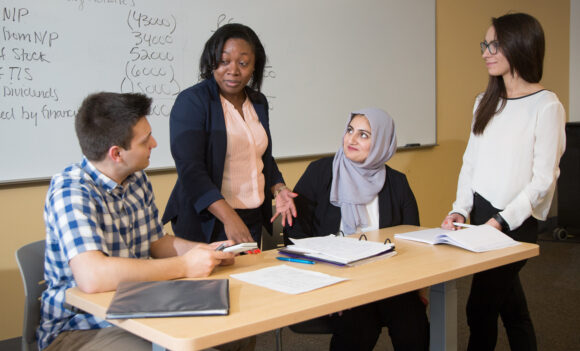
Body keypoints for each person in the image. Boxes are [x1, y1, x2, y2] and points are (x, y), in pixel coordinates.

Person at [39, 92, 239, 350]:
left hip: (141, 306)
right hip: (82, 327)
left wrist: (203, 251)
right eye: (145, 140)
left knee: (229, 334)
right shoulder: (71, 191)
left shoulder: (136, 179)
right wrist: (184, 266)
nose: (154, 143)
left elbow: (156, 243)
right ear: (117, 154)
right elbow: (93, 277)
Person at [441, 13, 566, 351]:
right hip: (480, 218)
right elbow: (471, 163)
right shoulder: (484, 103)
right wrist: (460, 211)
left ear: (520, 46)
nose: (485, 52)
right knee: (511, 307)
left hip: (513, 223)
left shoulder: (546, 106)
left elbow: (543, 180)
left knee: (479, 308)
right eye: (485, 44)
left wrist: (500, 221)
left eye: (494, 44)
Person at [285, 108, 429, 351]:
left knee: (413, 326)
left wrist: (414, 288)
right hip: (336, 278)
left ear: (382, 142)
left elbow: (411, 240)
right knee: (357, 327)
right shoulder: (320, 172)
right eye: (350, 130)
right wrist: (328, 286)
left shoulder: (397, 183)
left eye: (364, 135)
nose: (351, 139)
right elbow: (296, 234)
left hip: (388, 279)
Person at [163, 23, 296, 245]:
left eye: (243, 63)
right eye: (224, 61)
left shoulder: (258, 102)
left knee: (248, 279)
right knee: (215, 279)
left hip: (251, 217)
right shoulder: (193, 101)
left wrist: (279, 188)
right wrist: (229, 217)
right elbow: (191, 170)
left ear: (255, 66)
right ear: (211, 61)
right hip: (208, 219)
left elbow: (259, 155)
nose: (233, 70)